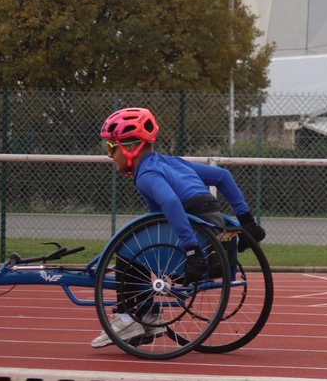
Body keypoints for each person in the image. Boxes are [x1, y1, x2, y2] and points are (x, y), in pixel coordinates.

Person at [92, 106, 267, 349]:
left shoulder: (147, 173)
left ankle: (128, 317)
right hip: (210, 227)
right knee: (139, 245)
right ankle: (147, 313)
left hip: (191, 238)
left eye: (112, 147)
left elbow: (171, 202)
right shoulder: (172, 162)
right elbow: (223, 176)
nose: (110, 155)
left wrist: (192, 249)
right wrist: (246, 220)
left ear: (130, 147)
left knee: (127, 249)